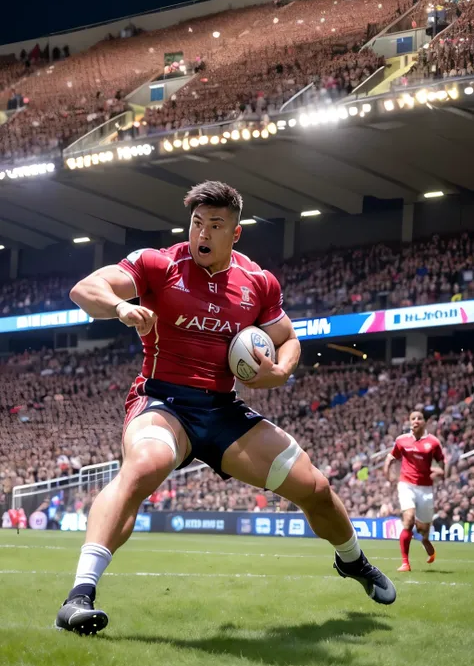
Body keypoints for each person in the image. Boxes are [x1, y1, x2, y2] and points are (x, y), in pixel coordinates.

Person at [55, 181, 396, 635]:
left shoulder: (257, 282)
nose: (203, 232)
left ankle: (353, 561)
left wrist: (281, 371)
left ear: (234, 234)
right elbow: (85, 288)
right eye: (198, 222)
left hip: (221, 409)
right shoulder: (159, 263)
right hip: (162, 398)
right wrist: (121, 307)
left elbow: (288, 339)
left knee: (313, 487)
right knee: (144, 466)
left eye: (216, 225)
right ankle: (79, 596)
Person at [384, 410, 445, 572]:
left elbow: (441, 463)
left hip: (425, 487)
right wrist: (387, 473)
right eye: (413, 418)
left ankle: (424, 539)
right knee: (409, 519)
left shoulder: (433, 442)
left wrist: (440, 473)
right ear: (409, 422)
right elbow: (391, 457)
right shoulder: (402, 440)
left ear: (425, 422)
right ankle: (405, 563)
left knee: (423, 528)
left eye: (419, 418)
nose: (416, 420)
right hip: (406, 484)